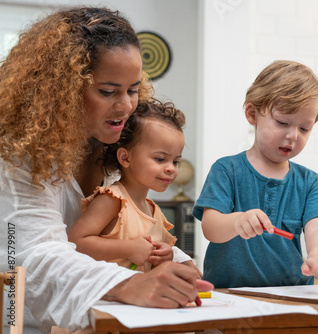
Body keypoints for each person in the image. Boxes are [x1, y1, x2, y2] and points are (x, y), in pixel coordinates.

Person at [0, 7, 212, 332]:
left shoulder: (113, 148)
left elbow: (131, 230)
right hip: (20, 322)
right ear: (63, 90)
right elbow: (31, 255)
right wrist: (127, 285)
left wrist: (180, 267)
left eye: (132, 89)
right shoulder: (19, 154)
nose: (126, 105)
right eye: (107, 91)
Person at [193, 60, 318, 288]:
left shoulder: (310, 182)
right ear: (252, 114)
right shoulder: (226, 170)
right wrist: (237, 221)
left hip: (292, 295)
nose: (293, 136)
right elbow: (210, 227)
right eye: (282, 122)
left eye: (304, 128)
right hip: (229, 295)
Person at [68, 100, 202, 275]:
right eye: (160, 159)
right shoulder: (112, 199)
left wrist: (165, 256)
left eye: (175, 161)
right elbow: (75, 242)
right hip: (106, 299)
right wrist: (128, 248)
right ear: (125, 158)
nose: (171, 168)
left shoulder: (154, 211)